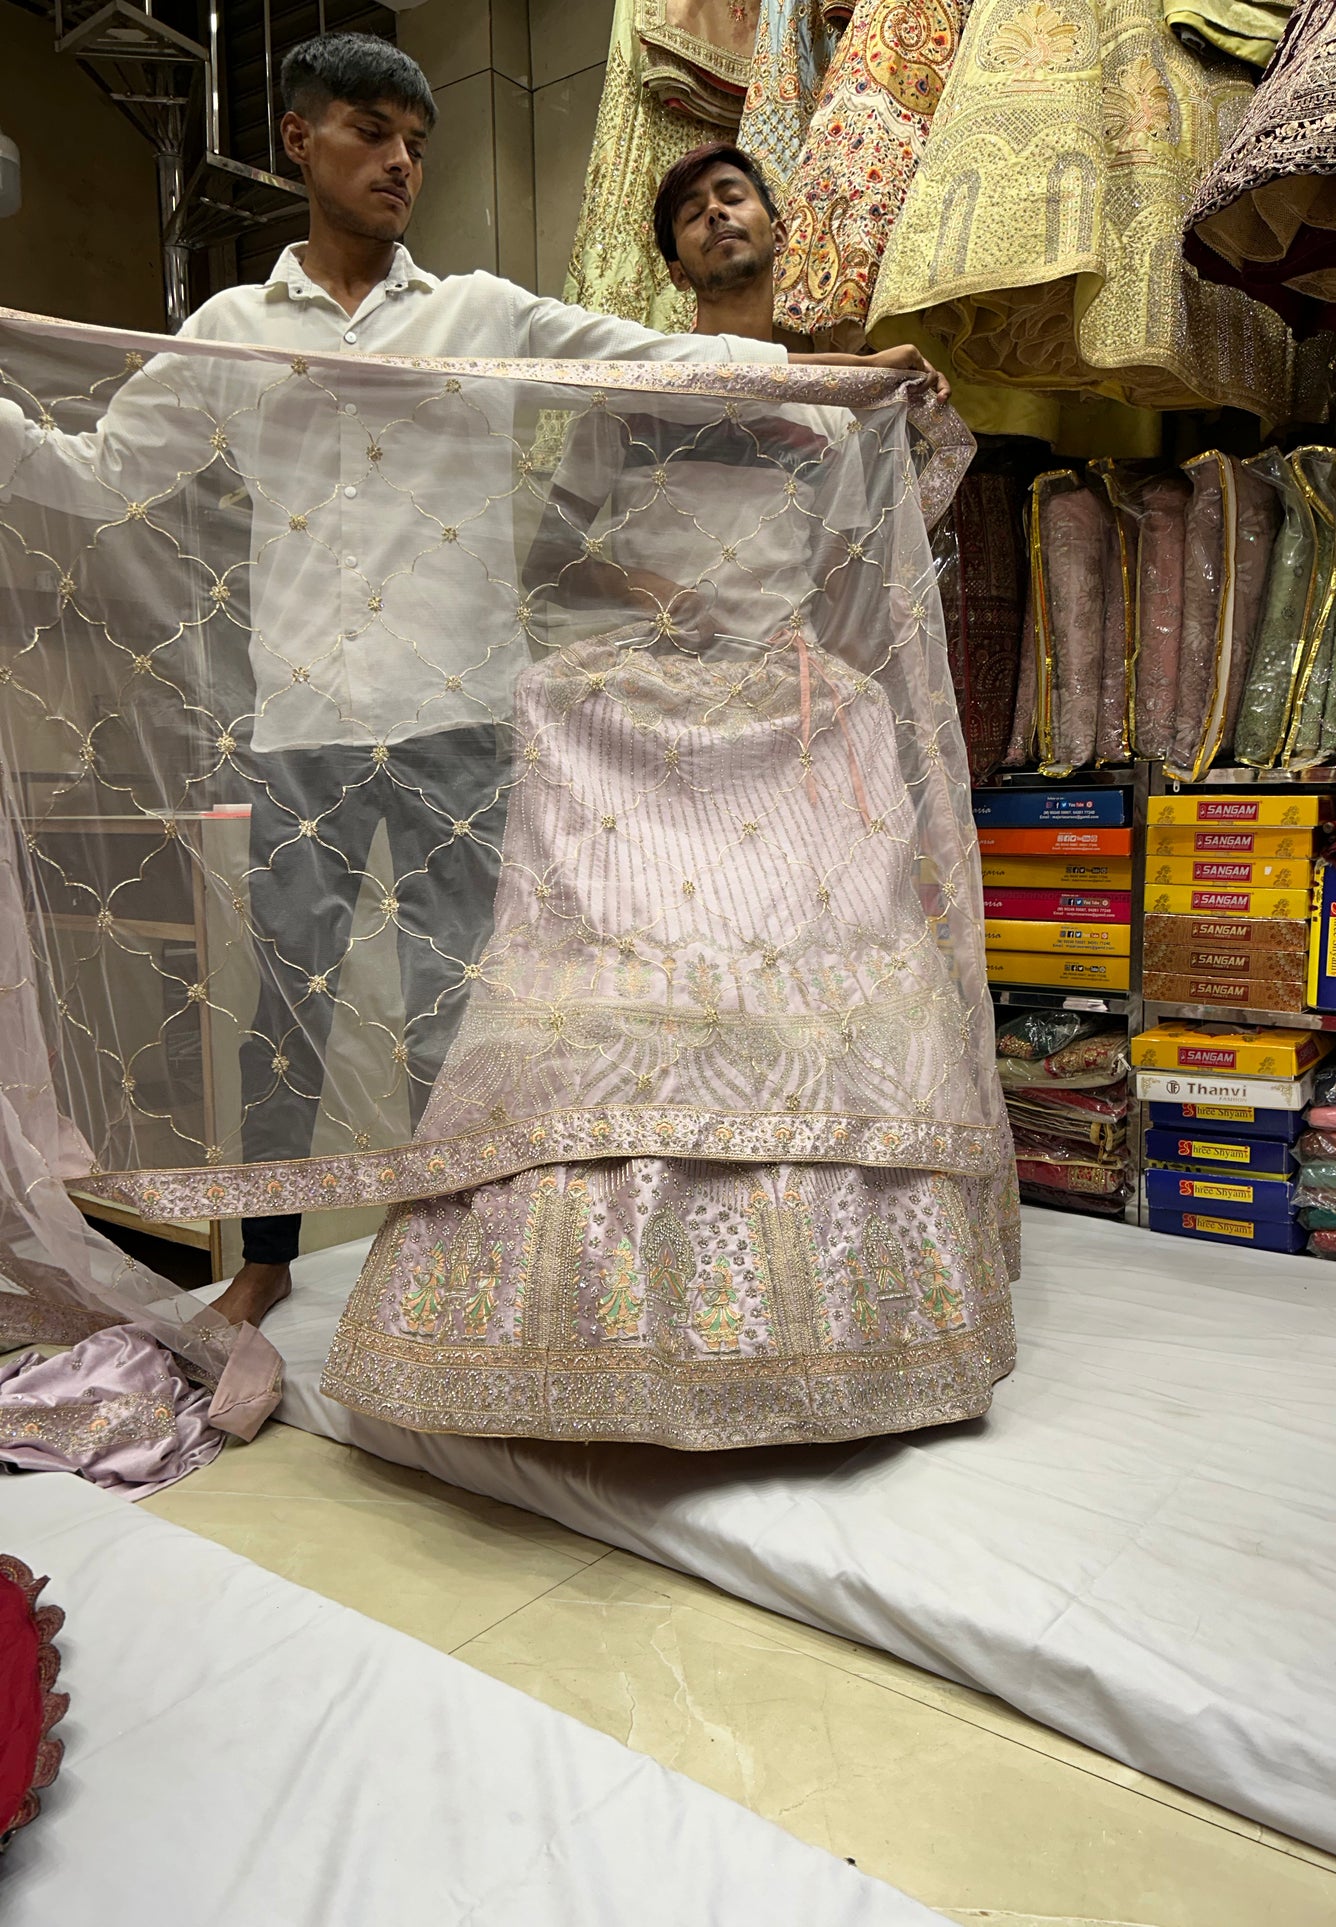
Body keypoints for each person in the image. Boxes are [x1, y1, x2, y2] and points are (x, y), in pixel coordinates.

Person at [0, 36, 948, 1333]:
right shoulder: (231, 333)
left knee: (464, 1016)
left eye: (416, 142)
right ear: (299, 140)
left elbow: (653, 360)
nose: (401, 162)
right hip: (303, 730)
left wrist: (850, 379)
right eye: (371, 132)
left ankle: (457, 1276)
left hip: (463, 727)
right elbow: (101, 473)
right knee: (283, 1019)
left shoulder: (481, 314)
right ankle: (265, 1264)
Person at [316, 144, 1017, 1450]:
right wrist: (648, 596)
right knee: (616, 976)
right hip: (641, 709)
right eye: (688, 207)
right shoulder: (624, 389)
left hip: (789, 710)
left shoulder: (834, 397)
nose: (713, 213)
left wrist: (905, 416)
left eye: (732, 195)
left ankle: (850, 1314)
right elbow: (552, 552)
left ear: (775, 225)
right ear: (672, 255)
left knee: (820, 968)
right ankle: (579, 1316)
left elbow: (877, 554)